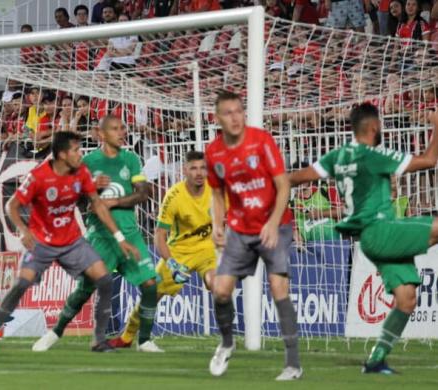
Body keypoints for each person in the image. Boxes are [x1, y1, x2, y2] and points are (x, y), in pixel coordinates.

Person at [289, 103, 438, 374]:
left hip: (368, 241)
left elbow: (298, 177)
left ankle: (376, 359)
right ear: (374, 127)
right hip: (381, 230)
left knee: (406, 299)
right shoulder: (373, 155)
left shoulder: (338, 156)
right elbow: (429, 161)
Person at [0, 131, 141, 356]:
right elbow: (12, 205)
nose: (80, 154)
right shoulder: (38, 176)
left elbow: (97, 205)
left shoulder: (81, 173)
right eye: (76, 150)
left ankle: (98, 340)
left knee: (105, 279)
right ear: (61, 154)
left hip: (72, 241)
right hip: (42, 242)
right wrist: (24, 230)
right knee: (21, 284)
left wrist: (120, 238)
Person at [32, 116, 159, 352]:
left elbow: (143, 193)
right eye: (115, 128)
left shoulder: (131, 159)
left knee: (151, 285)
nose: (122, 132)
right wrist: (91, 188)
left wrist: (115, 201)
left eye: (123, 128)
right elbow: (72, 197)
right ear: (100, 134)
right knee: (85, 289)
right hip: (100, 236)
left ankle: (145, 340)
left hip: (130, 233)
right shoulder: (87, 162)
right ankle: (55, 332)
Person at [205, 91, 301, 381]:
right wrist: (217, 223)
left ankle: (293, 364)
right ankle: (226, 342)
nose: (235, 117)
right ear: (218, 118)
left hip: (276, 224)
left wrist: (272, 223)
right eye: (228, 113)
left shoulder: (261, 140)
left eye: (239, 111)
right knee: (221, 290)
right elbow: (218, 192)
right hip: (240, 228)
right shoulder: (214, 152)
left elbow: (283, 185)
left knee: (277, 287)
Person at [108, 150, 218, 349]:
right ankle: (127, 336)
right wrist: (173, 264)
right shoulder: (174, 196)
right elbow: (159, 236)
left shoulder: (215, 190)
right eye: (193, 168)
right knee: (152, 295)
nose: (199, 173)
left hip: (206, 251)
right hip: (178, 253)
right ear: (184, 170)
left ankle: (226, 341)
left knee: (217, 285)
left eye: (202, 168)